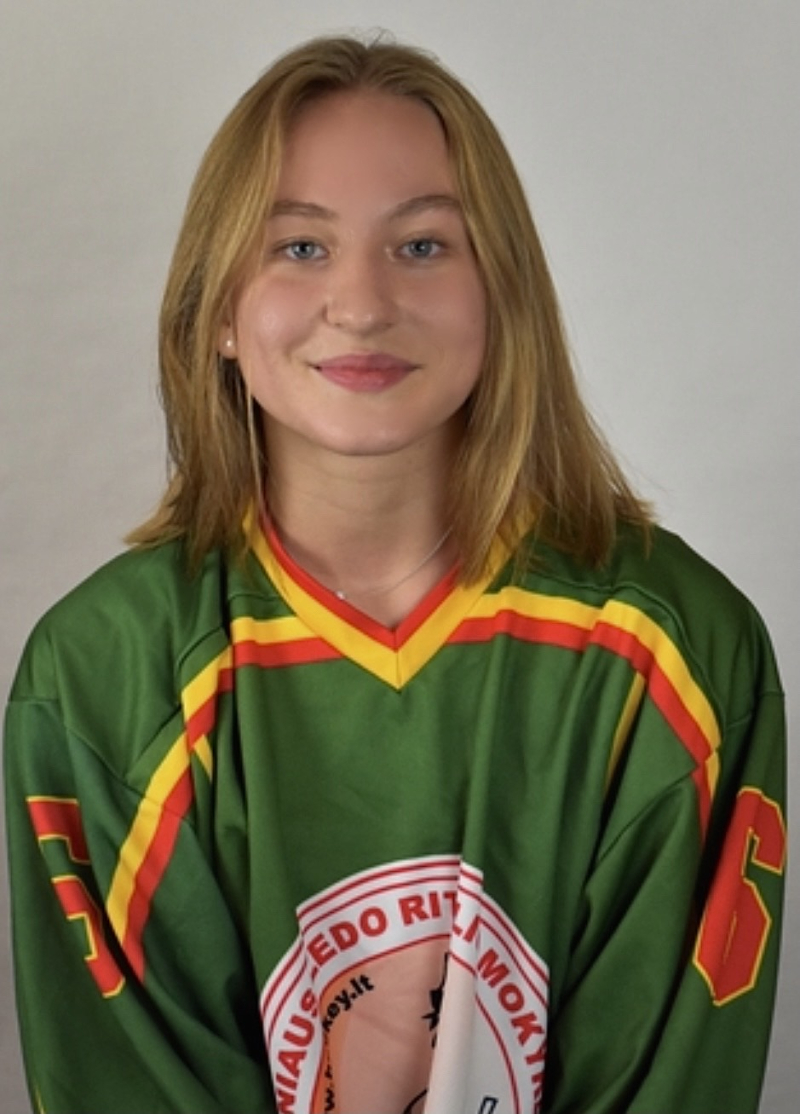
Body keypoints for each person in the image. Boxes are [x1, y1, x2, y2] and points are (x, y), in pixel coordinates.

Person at [3, 34, 786, 1114]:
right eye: (298, 246)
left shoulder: (669, 649)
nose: (362, 304)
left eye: (422, 245)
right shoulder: (98, 679)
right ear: (218, 309)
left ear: (501, 292)